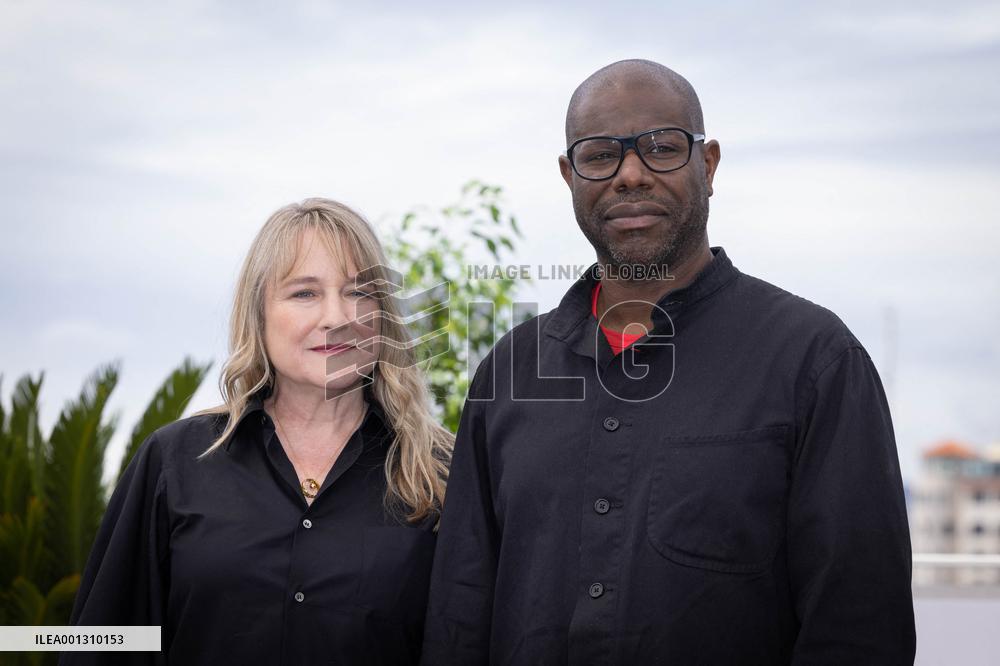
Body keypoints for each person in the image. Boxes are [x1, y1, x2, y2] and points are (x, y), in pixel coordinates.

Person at [422, 60, 915, 664]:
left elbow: (859, 627)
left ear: (707, 165)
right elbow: (459, 616)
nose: (630, 175)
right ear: (568, 175)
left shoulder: (813, 361)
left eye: (661, 148)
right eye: (600, 154)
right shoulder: (509, 374)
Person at [64, 199, 453, 665]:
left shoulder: (443, 473)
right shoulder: (175, 463)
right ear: (259, 315)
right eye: (305, 293)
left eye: (359, 292)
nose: (337, 316)